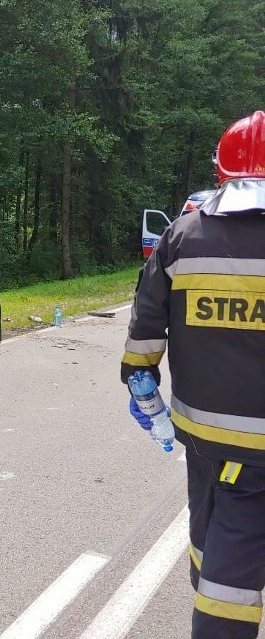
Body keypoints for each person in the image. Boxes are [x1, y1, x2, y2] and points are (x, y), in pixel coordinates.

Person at [122, 110, 265, 639]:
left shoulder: (183, 237)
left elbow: (144, 331)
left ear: (222, 169)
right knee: (223, 550)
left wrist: (143, 391)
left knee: (218, 560)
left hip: (206, 442)